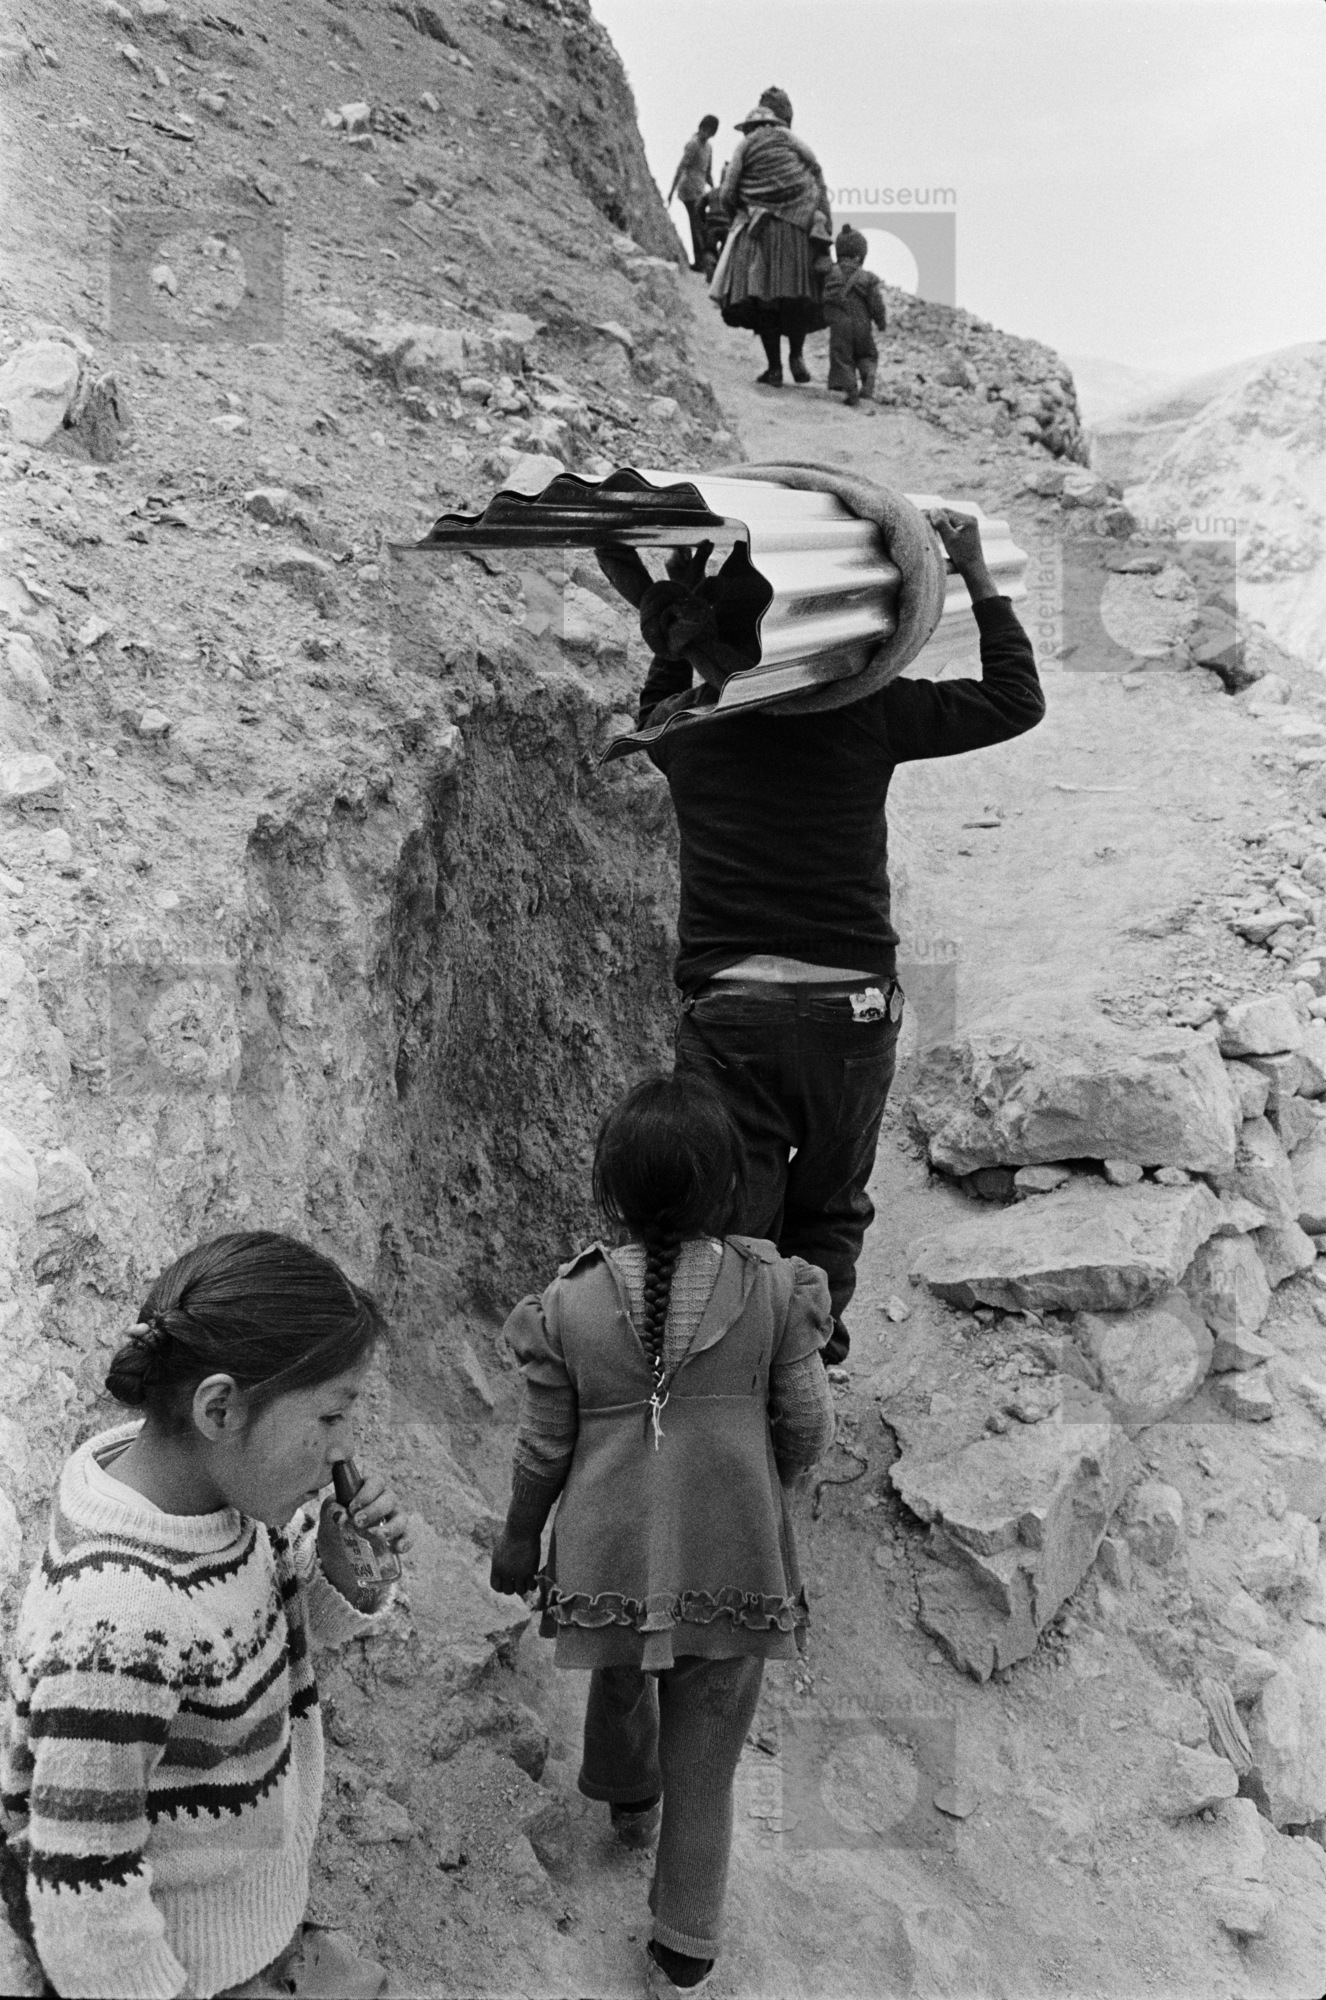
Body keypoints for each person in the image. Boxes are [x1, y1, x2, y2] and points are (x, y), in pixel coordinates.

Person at [603, 508, 1044, 1369]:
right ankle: (804, 1366)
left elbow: (655, 708)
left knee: (732, 1213)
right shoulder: (869, 712)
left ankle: (731, 1372)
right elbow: (1015, 701)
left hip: (730, 1014)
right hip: (850, 1010)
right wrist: (976, 574)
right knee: (832, 1207)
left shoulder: (689, 727)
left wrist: (676, 636)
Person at [489, 1072, 835, 1997]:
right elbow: (808, 1424)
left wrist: (518, 1541)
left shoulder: (568, 1303)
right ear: (732, 1186)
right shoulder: (773, 1287)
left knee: (621, 1663)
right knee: (709, 1760)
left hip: (607, 1555)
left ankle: (628, 1798)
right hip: (734, 1561)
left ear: (611, 1193)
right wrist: (768, 1482)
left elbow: (542, 1448)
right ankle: (685, 1945)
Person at [0, 1231, 411, 2000]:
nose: (343, 1451)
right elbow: (84, 1898)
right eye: (330, 1417)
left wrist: (343, 1567)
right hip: (180, 1972)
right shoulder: (115, 1628)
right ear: (220, 1408)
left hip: (247, 1920)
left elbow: (278, 1638)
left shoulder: (223, 1500)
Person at [708, 87, 832, 387]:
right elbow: (817, 175)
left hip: (758, 233)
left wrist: (741, 212)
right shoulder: (792, 140)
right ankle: (797, 357)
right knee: (796, 298)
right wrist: (823, 227)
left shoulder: (745, 145)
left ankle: (775, 368)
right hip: (797, 231)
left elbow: (728, 193)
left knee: (764, 302)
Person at [823, 225, 887, 407]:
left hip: (839, 325)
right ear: (859, 256)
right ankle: (868, 381)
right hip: (862, 325)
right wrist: (880, 321)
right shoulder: (867, 278)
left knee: (842, 357)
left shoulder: (830, 274)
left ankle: (851, 390)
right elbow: (876, 303)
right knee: (867, 354)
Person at [668, 115, 719, 273]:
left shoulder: (708, 148)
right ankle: (699, 262)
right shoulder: (693, 144)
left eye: (710, 132)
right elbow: (681, 167)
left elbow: (708, 173)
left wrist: (716, 191)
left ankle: (703, 261)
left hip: (700, 191)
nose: (706, 134)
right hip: (688, 189)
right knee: (697, 224)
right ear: (700, 128)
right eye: (705, 130)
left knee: (701, 224)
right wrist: (671, 191)